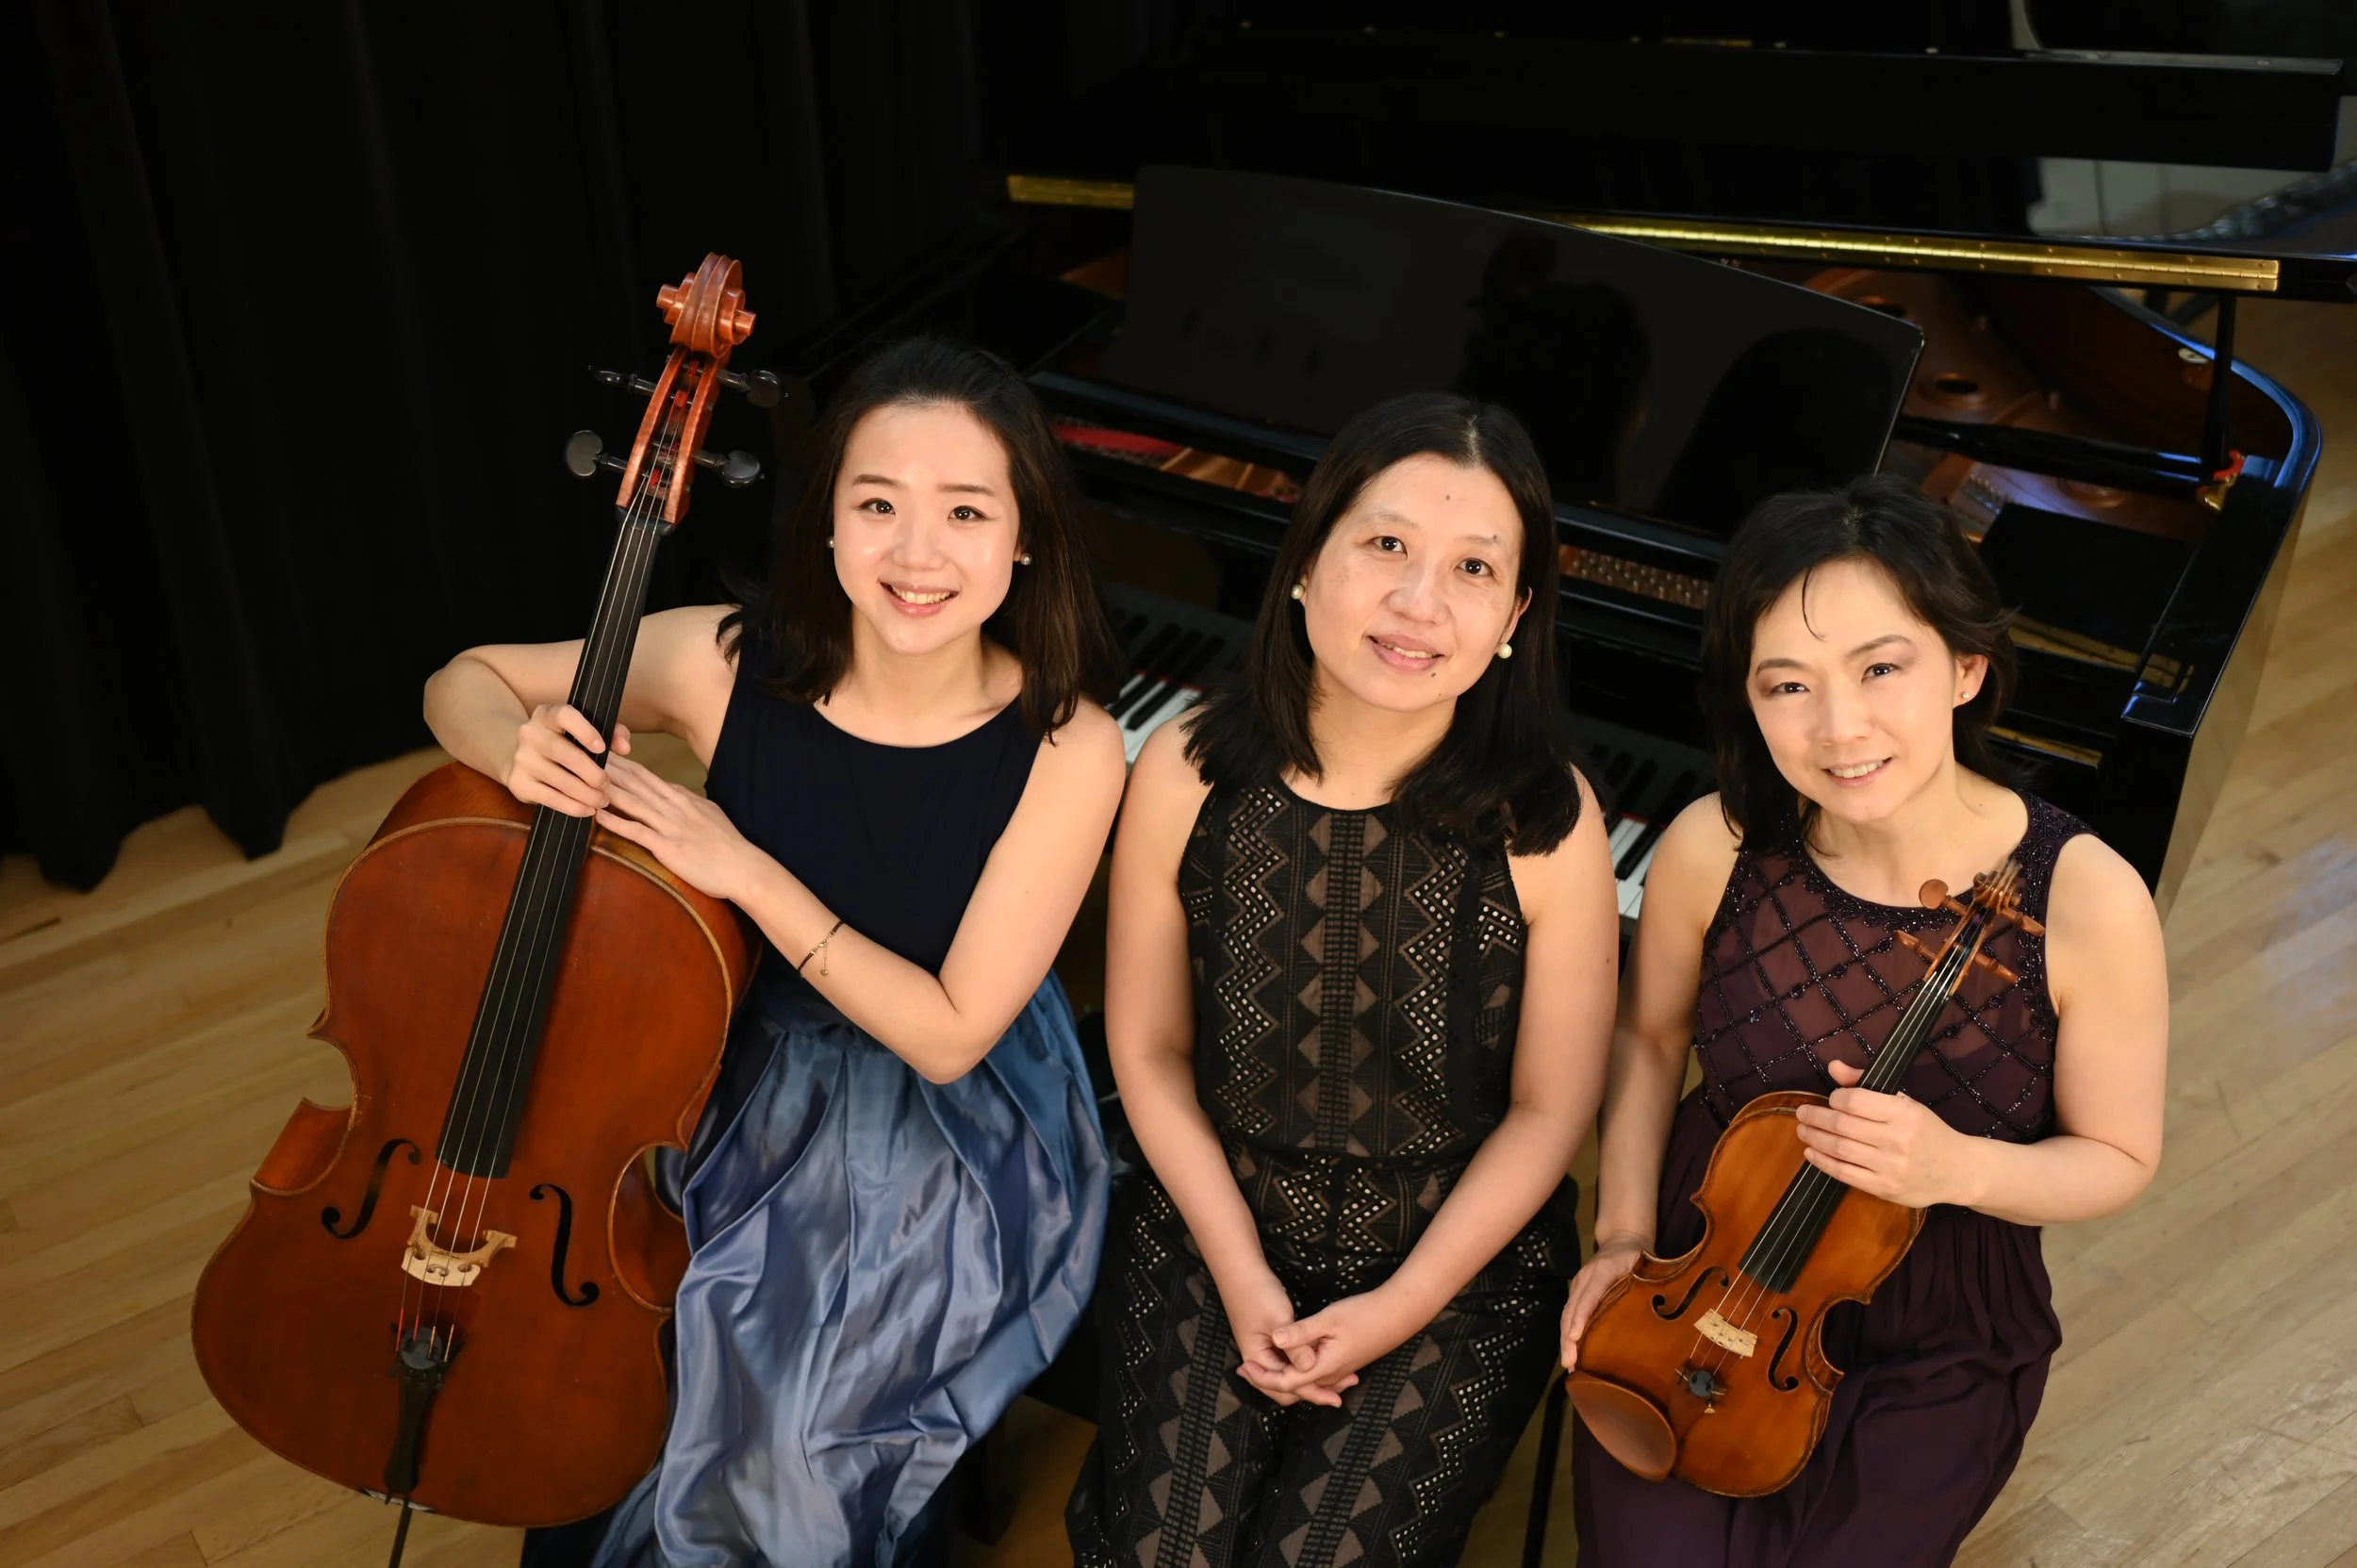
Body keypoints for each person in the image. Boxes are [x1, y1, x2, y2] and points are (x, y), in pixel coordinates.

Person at [420, 337, 1128, 1568]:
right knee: (620, 1372)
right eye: (878, 505)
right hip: (716, 1051)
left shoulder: (1070, 742)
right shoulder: (725, 657)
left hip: (942, 1128)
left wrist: (739, 863)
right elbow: (463, 676)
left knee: (793, 1430)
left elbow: (951, 1028)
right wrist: (511, 745)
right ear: (829, 527)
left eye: (965, 511)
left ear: (1023, 539)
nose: (917, 552)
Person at [1562, 474, 2169, 1566]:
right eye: (1785, 684)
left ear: (1965, 668)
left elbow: (2118, 1156)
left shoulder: (2086, 899)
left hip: (1936, 1323)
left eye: (1880, 667)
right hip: (1699, 1274)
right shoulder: (1719, 844)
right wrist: (1620, 1238)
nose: (1837, 728)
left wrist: (1952, 1167)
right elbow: (1649, 1038)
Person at [1066, 393, 1621, 1567]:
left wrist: (1399, 1306)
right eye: (1385, 546)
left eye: (1473, 568)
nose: (1421, 603)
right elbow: (1150, 1053)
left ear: (1516, 616)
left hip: (1451, 1266)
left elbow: (1548, 1113)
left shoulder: (1548, 822)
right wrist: (1238, 1265)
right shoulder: (1184, 768)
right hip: (1216, 1216)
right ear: (1307, 565)